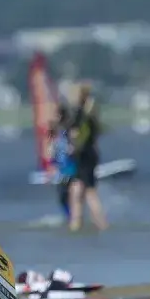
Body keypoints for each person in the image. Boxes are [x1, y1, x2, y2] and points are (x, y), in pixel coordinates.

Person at [67, 84, 108, 232]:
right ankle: (77, 223)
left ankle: (99, 223)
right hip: (90, 154)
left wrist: (72, 146)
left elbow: (75, 134)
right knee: (77, 190)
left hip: (83, 155)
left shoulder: (80, 114)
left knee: (88, 192)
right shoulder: (91, 113)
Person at [50, 105, 77, 221]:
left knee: (67, 195)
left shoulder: (69, 129)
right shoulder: (54, 129)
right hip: (60, 169)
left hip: (70, 168)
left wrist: (72, 148)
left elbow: (73, 145)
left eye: (57, 115)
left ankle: (72, 217)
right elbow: (53, 147)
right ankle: (70, 217)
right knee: (62, 197)